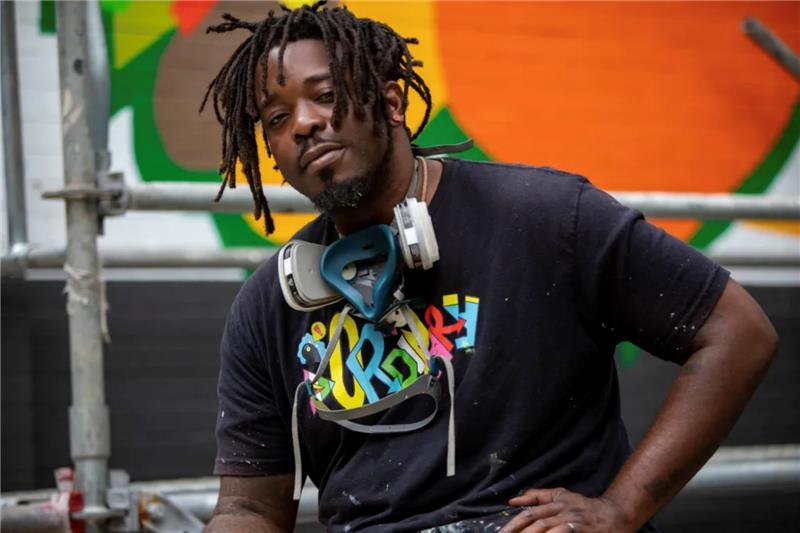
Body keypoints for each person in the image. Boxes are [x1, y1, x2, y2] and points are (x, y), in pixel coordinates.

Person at [200, 3, 777, 532]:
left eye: (324, 94)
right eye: (276, 118)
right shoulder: (269, 303)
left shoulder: (545, 217)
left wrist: (621, 508)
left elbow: (738, 333)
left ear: (392, 102)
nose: (301, 124)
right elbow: (248, 506)